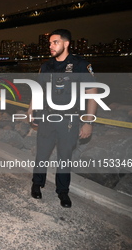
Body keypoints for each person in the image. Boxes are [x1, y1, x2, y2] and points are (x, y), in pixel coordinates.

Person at [27, 29, 97, 208]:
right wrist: (31, 108)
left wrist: (88, 122)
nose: (50, 46)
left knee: (64, 156)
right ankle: (37, 184)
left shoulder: (80, 65)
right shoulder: (46, 66)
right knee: (42, 153)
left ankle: (63, 191)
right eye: (50, 43)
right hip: (47, 116)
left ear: (66, 44)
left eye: (55, 42)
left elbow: (92, 93)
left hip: (70, 119)